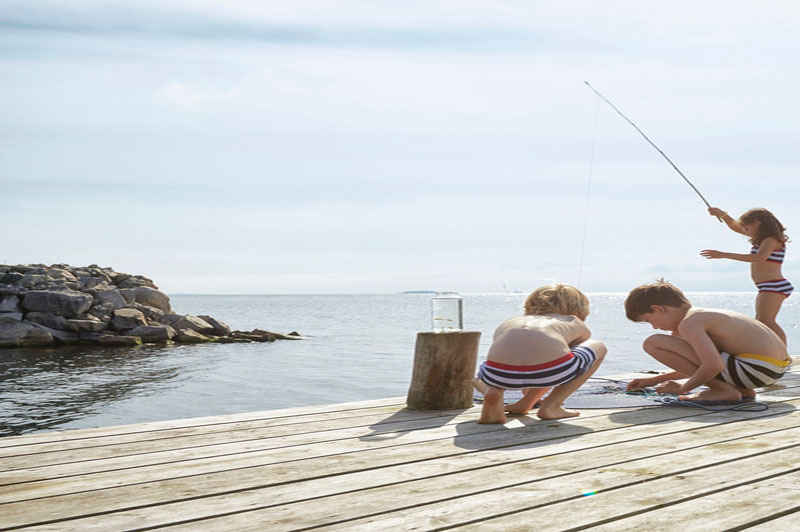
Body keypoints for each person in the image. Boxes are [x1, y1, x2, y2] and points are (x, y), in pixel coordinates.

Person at [624, 281, 791, 402]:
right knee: (674, 339)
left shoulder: (689, 323)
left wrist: (683, 388)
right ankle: (740, 390)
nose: (654, 327)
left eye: (649, 320)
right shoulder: (705, 315)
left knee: (653, 342)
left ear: (658, 309)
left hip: (752, 370)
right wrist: (655, 380)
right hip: (770, 371)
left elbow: (714, 365)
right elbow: (703, 362)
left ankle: (721, 390)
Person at [473, 284, 606, 423]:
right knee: (597, 347)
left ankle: (493, 393)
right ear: (578, 311)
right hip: (550, 371)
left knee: (478, 378)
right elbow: (559, 355)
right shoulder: (572, 320)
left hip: (499, 376)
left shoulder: (511, 322)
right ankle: (552, 406)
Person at [701, 207, 792, 344]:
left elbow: (760, 257)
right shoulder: (760, 239)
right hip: (766, 286)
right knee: (761, 321)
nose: (745, 232)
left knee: (767, 321)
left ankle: (784, 354)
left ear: (758, 223)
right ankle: (773, 351)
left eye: (747, 228)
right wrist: (722, 214)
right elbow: (736, 227)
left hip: (774, 285)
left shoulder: (771, 239)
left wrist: (724, 255)